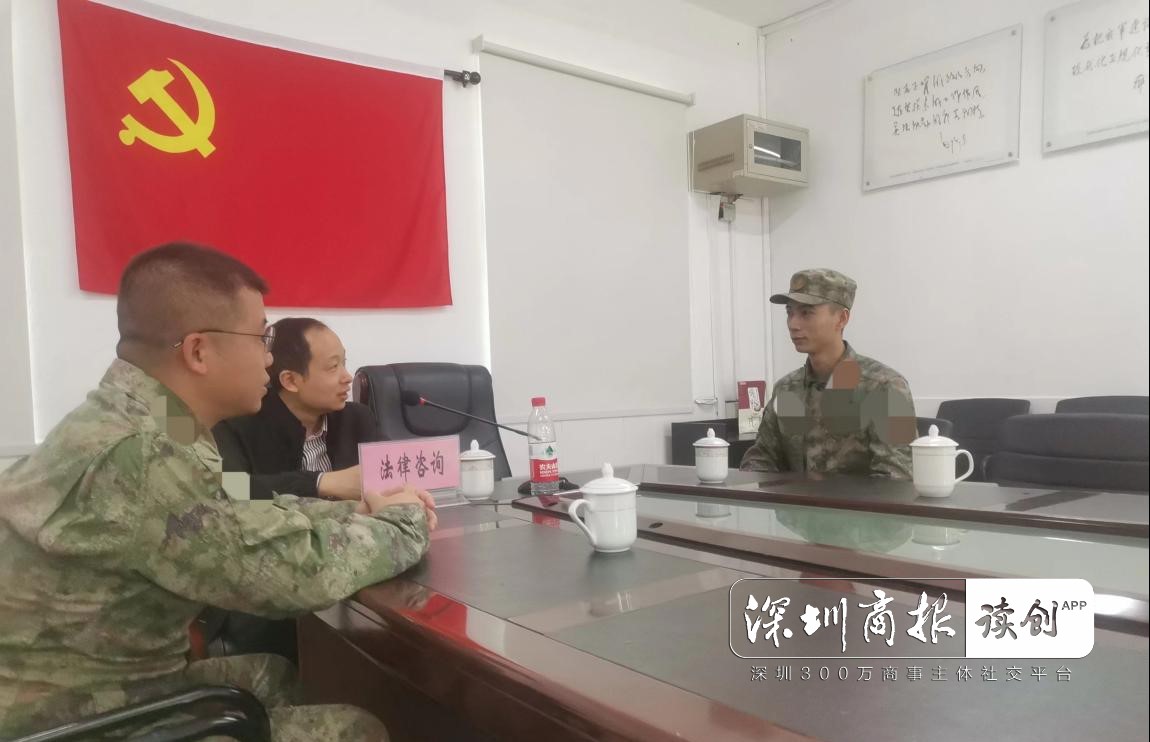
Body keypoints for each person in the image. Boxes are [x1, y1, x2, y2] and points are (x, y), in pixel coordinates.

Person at [0, 242, 436, 740]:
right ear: (199, 351)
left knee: (272, 675)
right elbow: (292, 576)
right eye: (261, 338)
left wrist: (351, 512)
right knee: (358, 729)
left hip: (89, 683)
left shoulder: (146, 414)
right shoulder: (143, 454)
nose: (269, 359)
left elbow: (233, 506)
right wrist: (404, 521)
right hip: (72, 718)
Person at [740, 268, 916, 478]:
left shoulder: (885, 387)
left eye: (806, 313)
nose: (793, 324)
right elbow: (762, 458)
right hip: (793, 500)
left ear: (841, 318)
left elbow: (895, 480)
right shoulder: (786, 389)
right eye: (789, 312)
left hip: (856, 501)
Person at [214, 317, 375, 502]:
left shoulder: (358, 419)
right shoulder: (238, 426)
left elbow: (393, 473)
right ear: (290, 380)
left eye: (343, 363)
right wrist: (321, 483)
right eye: (333, 367)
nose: (347, 377)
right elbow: (232, 490)